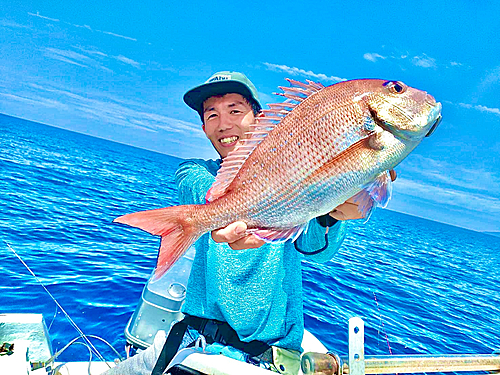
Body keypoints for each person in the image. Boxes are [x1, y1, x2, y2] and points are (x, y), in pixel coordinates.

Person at [105, 71, 376, 375]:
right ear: (204, 126)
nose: (224, 124)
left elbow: (315, 248)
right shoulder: (194, 170)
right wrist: (235, 203)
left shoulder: (297, 176)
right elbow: (200, 190)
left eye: (235, 110)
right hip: (190, 341)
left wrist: (328, 212)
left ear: (260, 119)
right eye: (212, 115)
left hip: (265, 355)